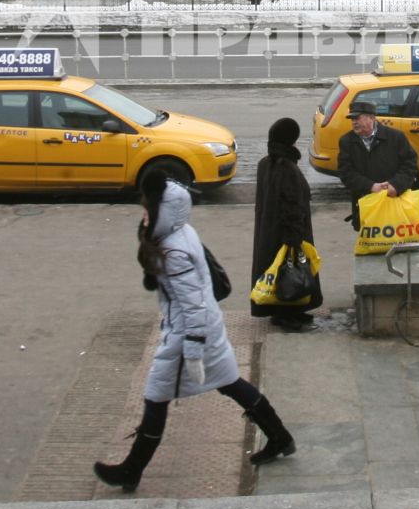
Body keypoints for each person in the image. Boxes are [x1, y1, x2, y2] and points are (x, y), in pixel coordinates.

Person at [93, 174, 297, 491]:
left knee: (155, 397)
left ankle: (131, 471)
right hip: (206, 330)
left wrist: (192, 352)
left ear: (162, 212)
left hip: (189, 335)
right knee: (231, 383)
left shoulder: (172, 252)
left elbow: (193, 305)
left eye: (148, 210)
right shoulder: (181, 232)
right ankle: (280, 437)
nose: (143, 215)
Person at [251, 118, 319, 332]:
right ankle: (287, 314)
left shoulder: (266, 163)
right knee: (291, 272)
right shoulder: (286, 167)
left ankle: (289, 311)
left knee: (278, 269)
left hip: (268, 232)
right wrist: (295, 238)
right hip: (287, 233)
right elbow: (292, 205)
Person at [336, 102, 419, 232]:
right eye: (352, 119)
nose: (354, 122)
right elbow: (345, 172)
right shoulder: (346, 141)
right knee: (370, 246)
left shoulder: (396, 137)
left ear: (372, 117)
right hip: (365, 205)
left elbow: (410, 165)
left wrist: (395, 185)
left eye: (357, 118)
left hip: (394, 202)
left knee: (397, 243)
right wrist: (370, 186)